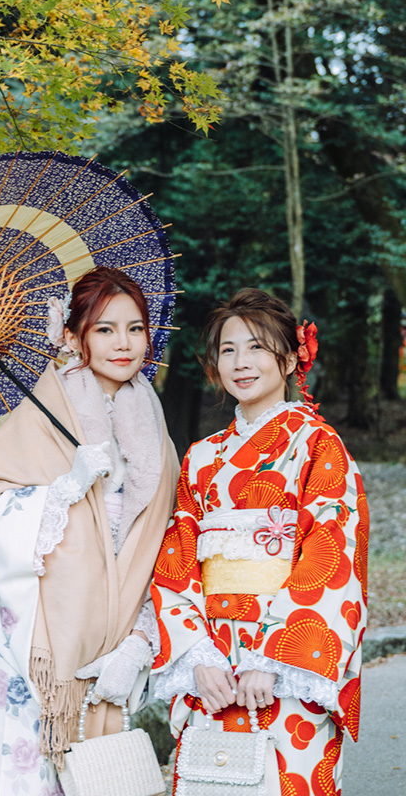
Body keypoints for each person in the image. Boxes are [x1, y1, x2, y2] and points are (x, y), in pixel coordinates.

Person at [0, 266, 179, 796]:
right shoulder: (43, 409)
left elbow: (168, 537)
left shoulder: (151, 419)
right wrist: (64, 487)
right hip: (44, 639)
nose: (123, 344)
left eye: (135, 328)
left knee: (104, 778)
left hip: (116, 638)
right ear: (74, 335)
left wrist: (138, 642)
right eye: (105, 329)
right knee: (31, 775)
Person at [151, 288, 369, 796]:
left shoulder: (317, 444)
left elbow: (333, 555)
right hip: (215, 659)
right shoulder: (203, 456)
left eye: (256, 347)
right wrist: (198, 657)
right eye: (228, 350)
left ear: (291, 358)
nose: (240, 362)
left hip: (285, 655)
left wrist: (272, 657)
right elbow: (177, 558)